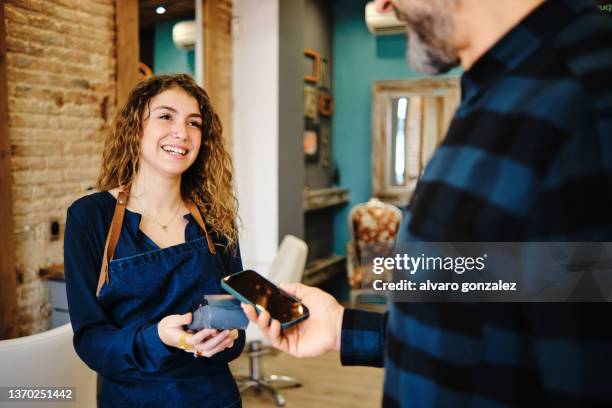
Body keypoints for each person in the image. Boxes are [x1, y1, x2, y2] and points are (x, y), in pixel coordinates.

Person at [243, 0, 612, 406]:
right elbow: (520, 284)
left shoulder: (587, 94)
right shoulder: (498, 94)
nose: (381, 4)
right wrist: (343, 328)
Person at [64, 74, 245, 407]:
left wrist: (229, 337)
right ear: (136, 128)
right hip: (132, 399)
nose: (182, 132)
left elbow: (234, 324)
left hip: (214, 398)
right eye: (166, 116)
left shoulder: (215, 219)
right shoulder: (90, 217)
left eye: (194, 123)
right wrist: (158, 337)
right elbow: (90, 340)